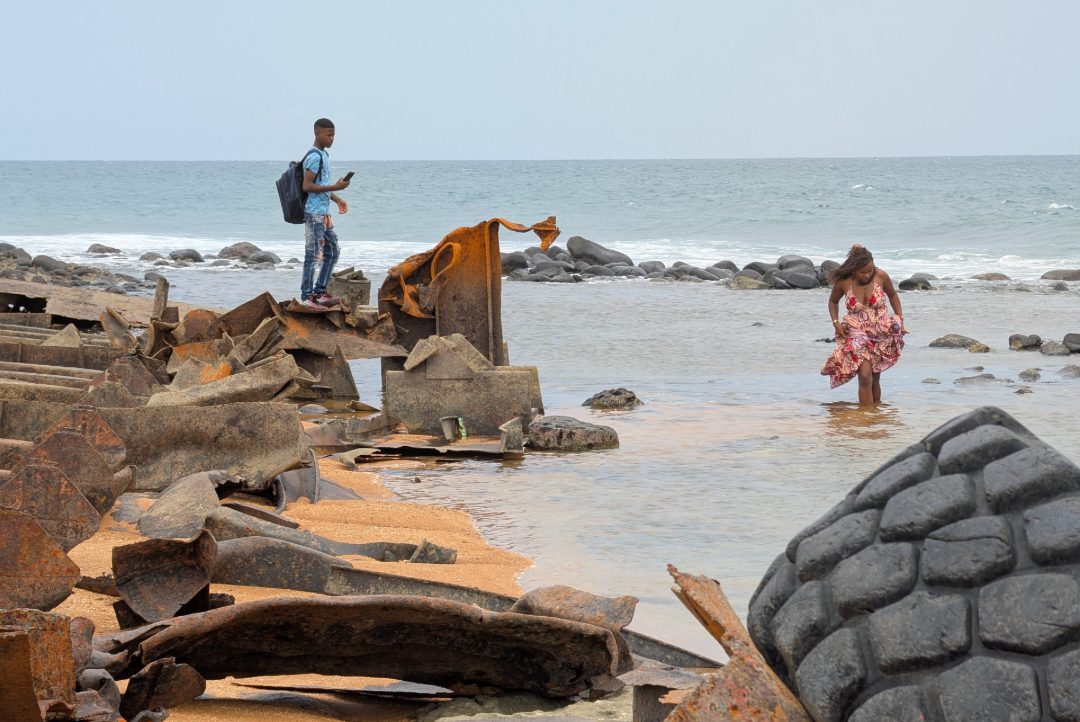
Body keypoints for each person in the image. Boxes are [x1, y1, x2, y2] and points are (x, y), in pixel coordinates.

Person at [821, 244, 907, 404]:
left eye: (870, 270)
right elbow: (833, 301)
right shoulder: (843, 281)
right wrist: (836, 322)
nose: (867, 275)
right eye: (862, 272)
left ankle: (874, 417)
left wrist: (899, 317)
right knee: (865, 377)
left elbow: (893, 295)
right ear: (853, 269)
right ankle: (865, 417)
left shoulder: (881, 276)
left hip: (880, 335)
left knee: (875, 378)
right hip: (856, 335)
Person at [299, 118, 351, 309]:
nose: (332, 138)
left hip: (323, 214)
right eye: (329, 134)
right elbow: (307, 186)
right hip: (314, 215)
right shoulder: (314, 157)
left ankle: (320, 292)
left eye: (334, 134)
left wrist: (337, 198)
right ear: (317, 133)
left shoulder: (324, 155)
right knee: (313, 255)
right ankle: (307, 296)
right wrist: (336, 186)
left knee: (332, 251)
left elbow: (321, 186)